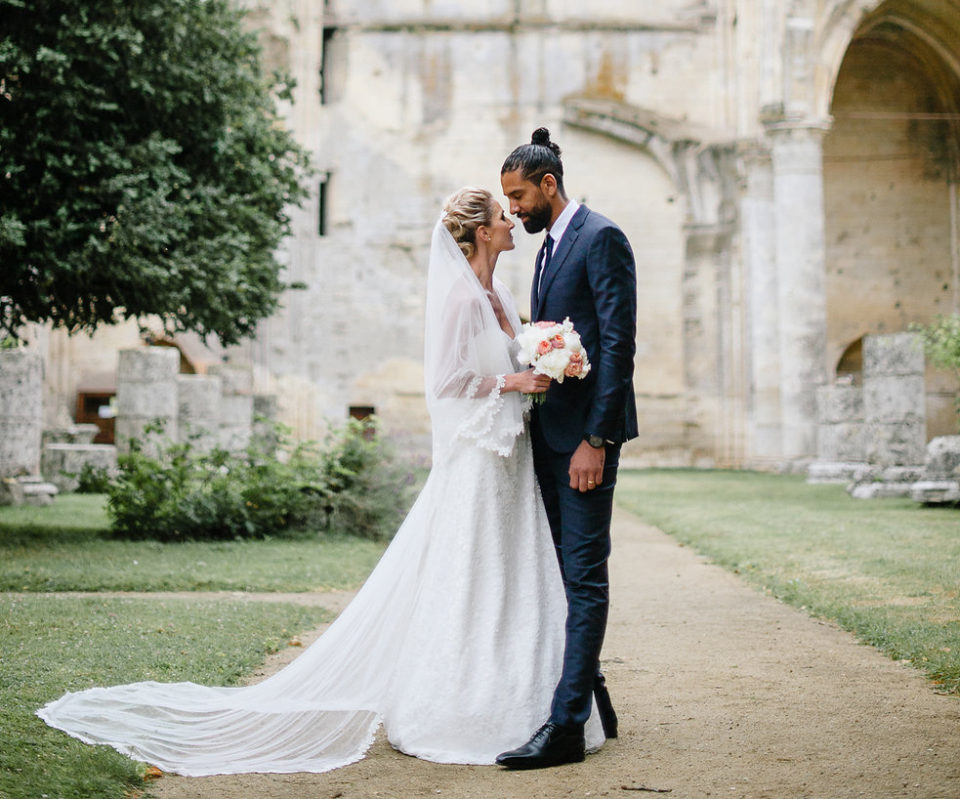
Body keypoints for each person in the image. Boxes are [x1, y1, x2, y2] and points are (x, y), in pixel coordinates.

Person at [37, 187, 606, 773]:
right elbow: (447, 383)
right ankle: (460, 709)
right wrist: (515, 384)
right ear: (482, 232)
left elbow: (509, 359)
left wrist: (548, 357)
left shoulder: (503, 294)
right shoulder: (461, 300)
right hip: (479, 457)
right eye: (502, 213)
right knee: (471, 573)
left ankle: (532, 700)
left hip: (509, 454)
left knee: (516, 570)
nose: (513, 219)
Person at [497, 128, 638, 771]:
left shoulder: (602, 237)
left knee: (582, 578)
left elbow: (617, 347)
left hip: (584, 444)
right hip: (549, 440)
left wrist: (596, 441)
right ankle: (596, 703)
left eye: (519, 195)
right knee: (560, 575)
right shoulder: (548, 248)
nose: (514, 209)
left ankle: (564, 728)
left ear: (548, 184)